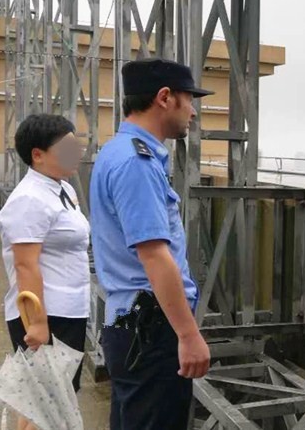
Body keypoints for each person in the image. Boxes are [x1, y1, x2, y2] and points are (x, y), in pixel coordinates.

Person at [89, 58, 214, 430]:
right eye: (189, 99)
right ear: (165, 98)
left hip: (130, 323)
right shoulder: (137, 163)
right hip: (151, 329)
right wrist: (189, 335)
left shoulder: (116, 151)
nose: (192, 111)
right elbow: (155, 256)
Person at [0, 113, 89, 430]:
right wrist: (36, 324)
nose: (77, 154)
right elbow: (25, 264)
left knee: (44, 403)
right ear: (38, 155)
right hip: (46, 316)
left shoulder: (59, 189)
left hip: (66, 311)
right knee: (48, 403)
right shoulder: (28, 199)